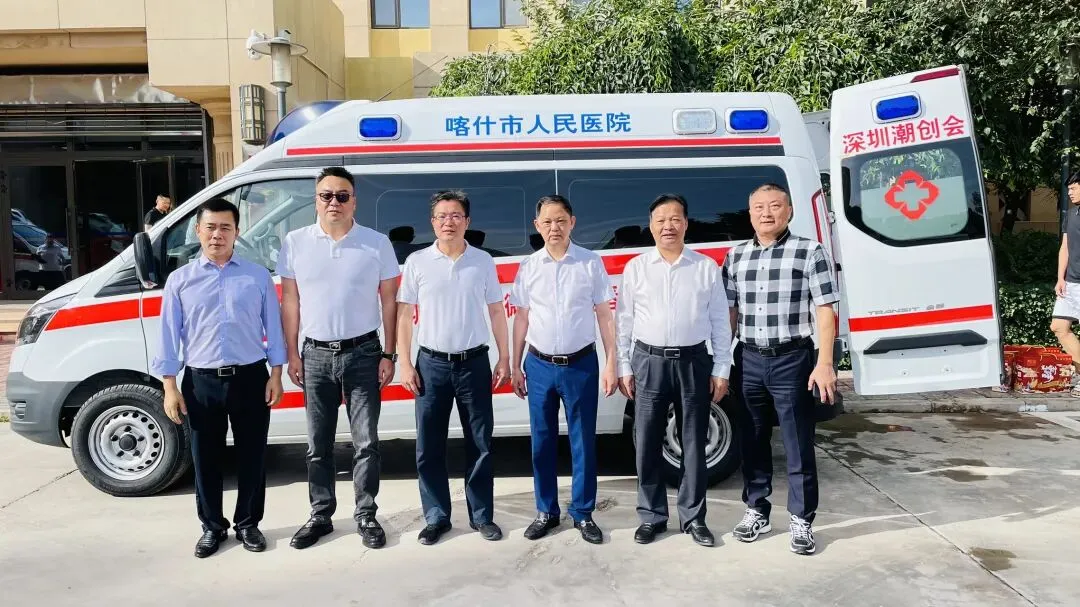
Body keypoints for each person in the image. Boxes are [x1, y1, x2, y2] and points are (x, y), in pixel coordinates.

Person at [151, 197, 286, 558]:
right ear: (198, 231)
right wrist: (169, 386)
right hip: (201, 382)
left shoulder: (257, 276)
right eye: (210, 227)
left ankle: (248, 523)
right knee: (205, 458)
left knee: (252, 456)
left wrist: (276, 373)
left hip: (250, 378)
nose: (217, 235)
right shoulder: (180, 281)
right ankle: (212, 527)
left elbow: (273, 329)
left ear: (237, 232)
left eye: (225, 227)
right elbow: (168, 336)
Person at [279, 167, 400, 550]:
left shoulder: (376, 243)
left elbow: (390, 302)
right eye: (326, 195)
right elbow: (290, 302)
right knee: (318, 444)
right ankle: (321, 515)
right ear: (316, 200)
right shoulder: (295, 243)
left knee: (366, 443)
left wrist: (389, 353)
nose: (334, 202)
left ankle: (366, 514)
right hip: (315, 355)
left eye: (342, 195)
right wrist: (292, 353)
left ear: (354, 201)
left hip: (364, 353)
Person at [722, 182, 839, 556]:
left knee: (797, 443)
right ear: (750, 214)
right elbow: (729, 313)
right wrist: (722, 362)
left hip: (793, 360)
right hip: (748, 360)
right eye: (759, 207)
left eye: (775, 205)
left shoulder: (810, 251)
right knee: (752, 440)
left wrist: (825, 363)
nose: (766, 213)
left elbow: (826, 309)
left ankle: (802, 519)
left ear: (789, 211)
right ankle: (756, 510)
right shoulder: (735, 257)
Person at [615, 193, 732, 548]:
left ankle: (694, 518)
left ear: (686, 223)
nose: (668, 226)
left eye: (675, 219)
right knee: (647, 441)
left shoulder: (705, 267)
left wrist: (722, 367)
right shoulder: (637, 268)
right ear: (651, 226)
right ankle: (651, 516)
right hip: (648, 361)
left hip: (693, 361)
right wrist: (624, 365)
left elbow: (719, 320)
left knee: (693, 442)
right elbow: (624, 321)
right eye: (661, 220)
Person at [396, 190, 510, 545]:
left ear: (467, 221)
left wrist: (504, 357)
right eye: (442, 216)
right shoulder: (417, 261)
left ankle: (481, 516)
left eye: (456, 215)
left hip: (474, 362)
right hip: (430, 364)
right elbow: (404, 315)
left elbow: (496, 310)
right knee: (429, 445)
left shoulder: (482, 261)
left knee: (480, 442)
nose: (449, 222)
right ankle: (436, 517)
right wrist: (405, 362)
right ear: (433, 223)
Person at [509, 195, 618, 544]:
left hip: (581, 364)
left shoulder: (589, 263)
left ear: (572, 222)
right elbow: (521, 317)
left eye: (560, 220)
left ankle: (583, 513)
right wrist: (515, 364)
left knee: (582, 441)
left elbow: (604, 315)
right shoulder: (529, 266)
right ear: (537, 226)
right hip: (539, 364)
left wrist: (612, 361)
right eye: (547, 221)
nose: (554, 227)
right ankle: (546, 511)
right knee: (541, 442)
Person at [1052, 172, 1080, 397]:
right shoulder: (1070, 214)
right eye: (1068, 189)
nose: (1069, 192)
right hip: (1070, 282)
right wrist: (1060, 278)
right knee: (1059, 327)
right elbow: (1065, 247)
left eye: (1073, 188)